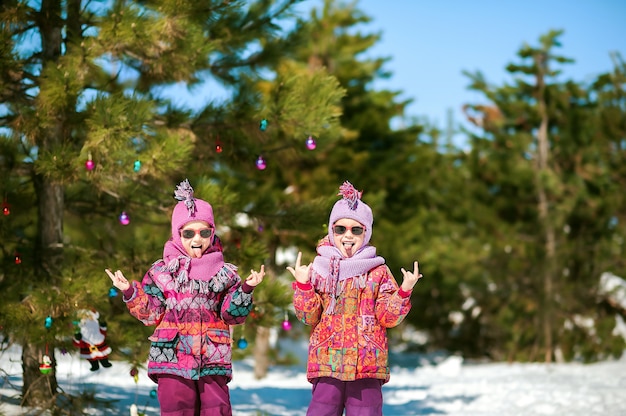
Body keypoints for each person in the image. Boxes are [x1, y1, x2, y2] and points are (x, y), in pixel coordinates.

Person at [106, 179, 265, 416]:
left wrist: (246, 290)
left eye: (204, 232)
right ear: (177, 234)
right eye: (188, 233)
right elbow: (151, 313)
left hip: (212, 358)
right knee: (176, 410)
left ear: (212, 233)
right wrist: (130, 292)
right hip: (172, 357)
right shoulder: (162, 271)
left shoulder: (225, 273)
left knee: (217, 410)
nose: (197, 240)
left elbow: (232, 315)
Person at [286, 181, 422, 416]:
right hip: (327, 361)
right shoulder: (319, 269)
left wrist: (403, 291)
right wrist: (304, 285)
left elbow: (387, 318)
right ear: (332, 231)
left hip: (367, 364)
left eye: (356, 230)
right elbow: (309, 316)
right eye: (341, 229)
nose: (347, 236)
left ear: (366, 233)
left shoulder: (377, 271)